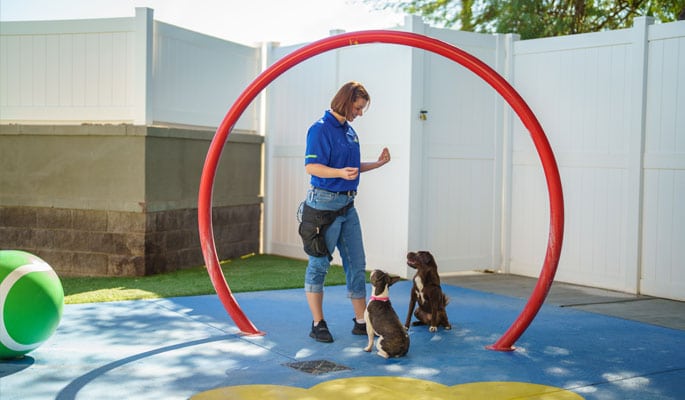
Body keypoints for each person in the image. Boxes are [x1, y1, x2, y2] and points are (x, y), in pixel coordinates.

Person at [302, 81, 391, 343]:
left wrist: (378, 163)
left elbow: (351, 167)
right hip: (323, 206)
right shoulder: (318, 130)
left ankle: (361, 321)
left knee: (356, 264)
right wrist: (338, 173)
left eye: (362, 108)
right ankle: (318, 323)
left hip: (348, 206)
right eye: (358, 107)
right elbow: (312, 168)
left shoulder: (350, 132)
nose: (360, 113)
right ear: (346, 100)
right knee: (319, 264)